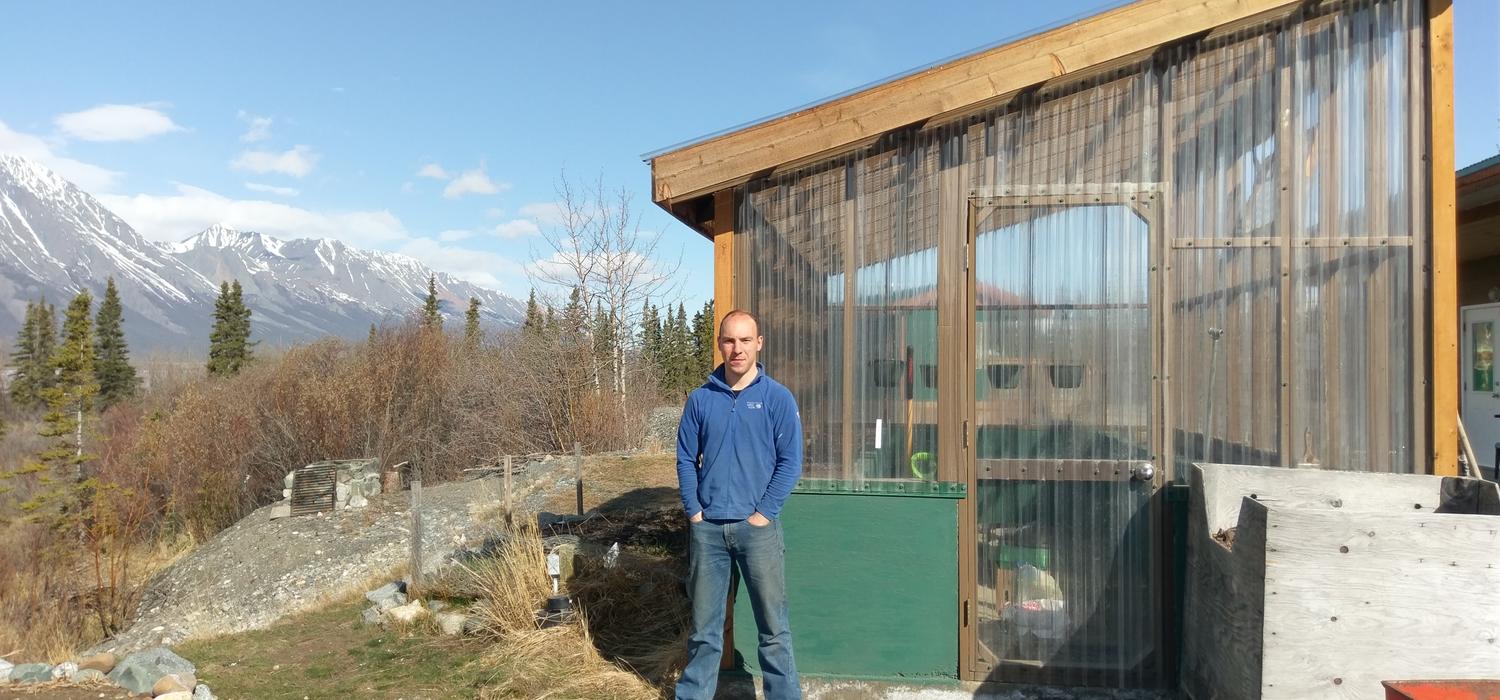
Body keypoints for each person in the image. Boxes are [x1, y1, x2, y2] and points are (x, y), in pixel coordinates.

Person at [674, 309, 802, 700]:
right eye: (730, 340)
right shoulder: (701, 399)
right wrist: (695, 511)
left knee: (773, 629)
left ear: (758, 344)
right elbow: (684, 458)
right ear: (720, 344)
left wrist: (764, 514)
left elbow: (791, 461)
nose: (737, 349)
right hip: (709, 530)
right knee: (704, 630)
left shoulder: (777, 398)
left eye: (746, 340)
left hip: (757, 531)